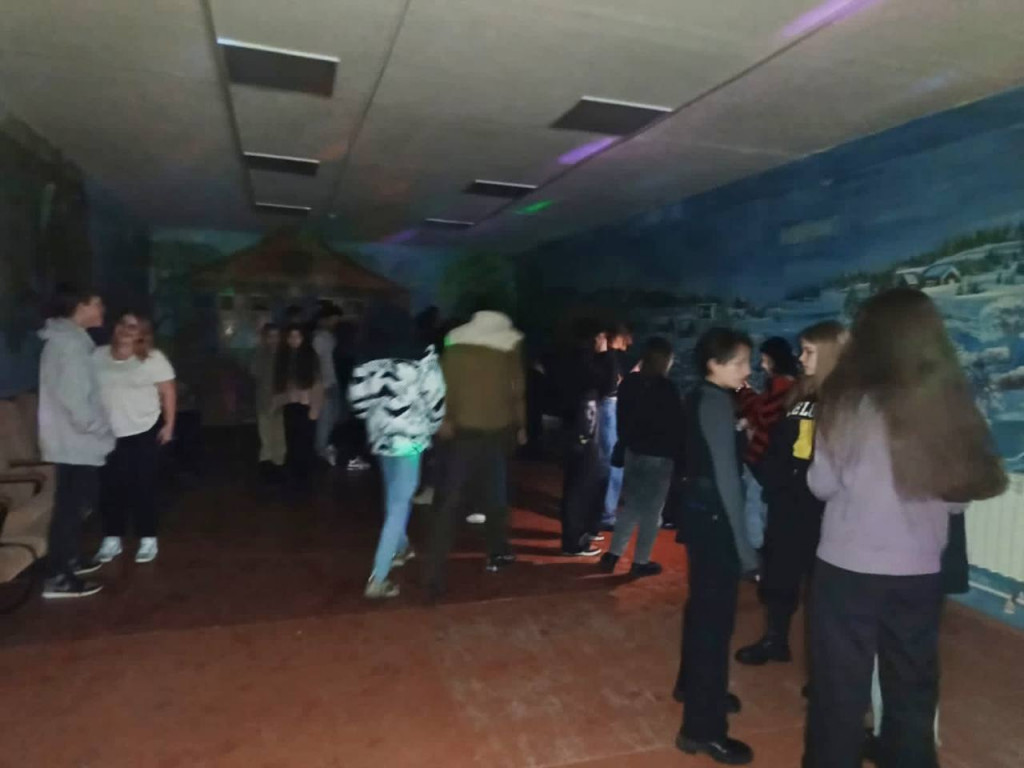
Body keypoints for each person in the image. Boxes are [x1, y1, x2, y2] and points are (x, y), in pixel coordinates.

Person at [802, 289, 1007, 768]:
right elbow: (957, 498)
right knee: (912, 691)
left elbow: (821, 485)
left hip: (847, 569)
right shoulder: (946, 404)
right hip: (918, 571)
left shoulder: (844, 401)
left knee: (838, 693)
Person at [735, 322, 847, 666]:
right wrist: (771, 478)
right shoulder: (801, 392)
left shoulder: (844, 401)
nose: (801, 358)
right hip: (787, 502)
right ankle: (775, 640)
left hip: (822, 509)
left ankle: (824, 669)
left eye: (809, 351)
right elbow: (782, 441)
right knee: (779, 578)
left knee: (824, 591)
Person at [673, 327, 757, 766]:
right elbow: (727, 481)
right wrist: (745, 551)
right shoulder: (716, 404)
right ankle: (702, 730)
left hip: (700, 514)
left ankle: (692, 687)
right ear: (714, 364)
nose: (748, 370)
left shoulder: (701, 397)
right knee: (714, 624)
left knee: (702, 611)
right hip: (716, 520)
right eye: (740, 362)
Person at [425, 308, 525, 597]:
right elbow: (517, 392)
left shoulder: (454, 351)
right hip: (496, 433)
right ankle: (497, 552)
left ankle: (435, 571)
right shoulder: (507, 352)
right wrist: (520, 425)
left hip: (460, 434)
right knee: (495, 497)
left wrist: (444, 420)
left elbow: (439, 390)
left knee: (448, 500)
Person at [348, 304, 446, 599]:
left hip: (382, 437)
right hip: (410, 437)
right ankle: (378, 578)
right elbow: (436, 398)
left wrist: (378, 418)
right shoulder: (422, 356)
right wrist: (431, 425)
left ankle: (400, 548)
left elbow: (358, 404)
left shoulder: (366, 359)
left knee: (393, 495)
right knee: (400, 503)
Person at [36, 284, 115, 598]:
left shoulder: (67, 340)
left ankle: (67, 560)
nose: (102, 309)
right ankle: (58, 577)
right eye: (97, 303)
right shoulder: (70, 345)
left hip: (70, 440)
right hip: (76, 440)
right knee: (72, 507)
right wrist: (100, 428)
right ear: (80, 306)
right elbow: (75, 400)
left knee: (73, 504)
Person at [93, 311, 177, 565]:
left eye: (133, 326)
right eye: (123, 324)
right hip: (107, 433)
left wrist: (169, 425)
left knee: (144, 486)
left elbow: (168, 391)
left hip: (143, 430)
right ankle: (112, 537)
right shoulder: (98, 356)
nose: (126, 329)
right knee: (110, 488)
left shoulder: (153, 358)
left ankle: (148, 537)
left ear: (142, 332)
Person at [598, 337, 682, 576]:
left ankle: (613, 554)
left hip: (633, 452)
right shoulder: (666, 389)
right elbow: (675, 426)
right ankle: (640, 561)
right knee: (652, 512)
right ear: (666, 360)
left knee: (631, 505)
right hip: (658, 456)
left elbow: (623, 418)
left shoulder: (630, 383)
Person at [737, 336, 799, 550]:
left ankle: (755, 552)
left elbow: (762, 411)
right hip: (772, 462)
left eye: (765, 360)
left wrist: (741, 389)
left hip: (763, 459)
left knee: (753, 507)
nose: (762, 365)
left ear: (774, 360)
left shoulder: (782, 387)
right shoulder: (793, 387)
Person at [558, 322, 609, 556]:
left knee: (574, 484)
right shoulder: (585, 361)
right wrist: (606, 355)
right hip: (583, 429)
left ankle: (574, 537)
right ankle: (575, 541)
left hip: (572, 427)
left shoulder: (568, 358)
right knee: (580, 485)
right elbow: (607, 384)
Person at [273, 324, 323, 485]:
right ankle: (294, 473)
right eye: (291, 337)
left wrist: (315, 408)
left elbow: (318, 383)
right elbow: (279, 383)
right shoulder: (283, 357)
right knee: (292, 439)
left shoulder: (310, 357)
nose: (294, 340)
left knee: (305, 440)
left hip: (306, 403)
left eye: (298, 337)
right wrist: (278, 401)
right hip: (290, 403)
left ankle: (304, 475)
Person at [596, 323, 630, 531]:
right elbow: (611, 385)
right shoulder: (608, 357)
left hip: (609, 405)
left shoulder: (610, 357)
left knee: (608, 460)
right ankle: (606, 514)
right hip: (608, 406)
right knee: (612, 461)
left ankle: (604, 510)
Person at [251, 323, 285, 478]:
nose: (274, 340)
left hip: (282, 401)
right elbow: (255, 372)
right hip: (264, 400)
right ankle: (267, 465)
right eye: (270, 336)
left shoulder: (284, 355)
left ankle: (278, 464)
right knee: (266, 434)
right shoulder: (261, 354)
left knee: (280, 436)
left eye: (276, 336)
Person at [312, 305, 343, 467]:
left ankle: (325, 448)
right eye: (333, 319)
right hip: (324, 383)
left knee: (331, 417)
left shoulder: (329, 336)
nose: (335, 323)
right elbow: (316, 362)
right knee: (325, 419)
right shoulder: (319, 338)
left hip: (331, 381)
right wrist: (320, 385)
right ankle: (320, 450)